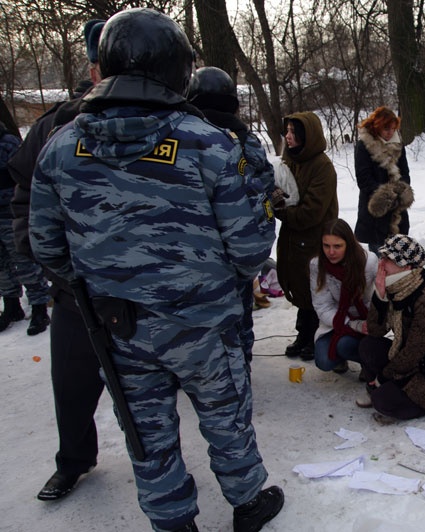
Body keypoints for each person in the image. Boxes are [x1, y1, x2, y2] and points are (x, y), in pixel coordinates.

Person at [28, 9, 282, 532]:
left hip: (117, 325)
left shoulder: (61, 147)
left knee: (146, 432)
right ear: (177, 70)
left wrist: (106, 276)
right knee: (226, 416)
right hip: (203, 325)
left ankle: (172, 520)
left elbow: (46, 247)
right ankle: (247, 502)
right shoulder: (209, 144)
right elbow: (251, 247)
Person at [7, 19, 106, 501]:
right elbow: (24, 200)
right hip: (76, 290)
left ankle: (165, 475)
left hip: (150, 292)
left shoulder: (171, 123)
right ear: (93, 69)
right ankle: (73, 460)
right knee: (71, 385)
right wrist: (51, 263)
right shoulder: (56, 125)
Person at [186, 66, 276, 364]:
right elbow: (264, 186)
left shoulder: (182, 138)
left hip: (191, 254)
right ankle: (239, 365)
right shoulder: (245, 140)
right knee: (238, 322)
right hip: (236, 251)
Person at [357, 234, 425, 420]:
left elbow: (413, 353)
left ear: (406, 267)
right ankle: (382, 389)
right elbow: (375, 331)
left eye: (389, 259)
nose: (381, 262)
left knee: (382, 401)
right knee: (368, 346)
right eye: (382, 256)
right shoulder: (395, 287)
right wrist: (379, 296)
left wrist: (382, 378)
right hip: (407, 359)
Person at [274, 112, 338, 359]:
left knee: (314, 289)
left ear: (307, 135)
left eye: (294, 132)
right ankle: (303, 334)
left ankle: (315, 336)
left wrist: (281, 210)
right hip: (293, 237)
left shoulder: (322, 166)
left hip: (315, 239)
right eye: (287, 131)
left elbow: (311, 212)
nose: (288, 136)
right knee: (299, 287)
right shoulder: (290, 161)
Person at [309, 218, 378, 374]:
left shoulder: (368, 261)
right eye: (326, 246)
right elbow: (322, 306)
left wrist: (371, 321)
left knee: (345, 345)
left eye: (337, 246)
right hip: (336, 320)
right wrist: (351, 324)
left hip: (366, 318)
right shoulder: (317, 265)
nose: (331, 252)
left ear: (349, 244)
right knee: (324, 361)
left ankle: (368, 363)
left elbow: (384, 295)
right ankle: (342, 358)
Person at [0, 121, 50, 335]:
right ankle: (11, 304)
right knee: (1, 265)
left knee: (24, 261)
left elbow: (22, 175)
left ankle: (39, 306)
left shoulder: (8, 143)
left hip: (9, 212)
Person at [354, 107, 413, 254]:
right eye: (386, 128)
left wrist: (401, 193)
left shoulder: (398, 145)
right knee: (379, 255)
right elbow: (364, 179)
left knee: (399, 257)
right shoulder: (364, 146)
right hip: (375, 210)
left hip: (398, 210)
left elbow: (405, 173)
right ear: (377, 126)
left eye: (393, 128)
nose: (390, 132)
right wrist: (386, 196)